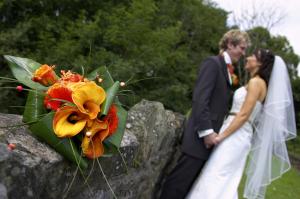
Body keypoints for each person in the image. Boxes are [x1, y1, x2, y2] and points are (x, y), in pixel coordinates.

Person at [186, 49, 297, 199]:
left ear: (259, 62)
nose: (248, 58)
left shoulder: (256, 82)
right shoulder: (261, 83)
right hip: (239, 134)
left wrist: (220, 137)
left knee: (216, 175)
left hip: (235, 135)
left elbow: (244, 115)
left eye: (252, 56)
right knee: (225, 178)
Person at [159, 29, 251, 199]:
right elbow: (200, 100)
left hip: (211, 138)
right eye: (242, 48)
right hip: (199, 137)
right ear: (230, 44)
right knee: (178, 184)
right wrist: (207, 132)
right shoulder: (213, 63)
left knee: (188, 186)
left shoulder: (229, 70)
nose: (244, 53)